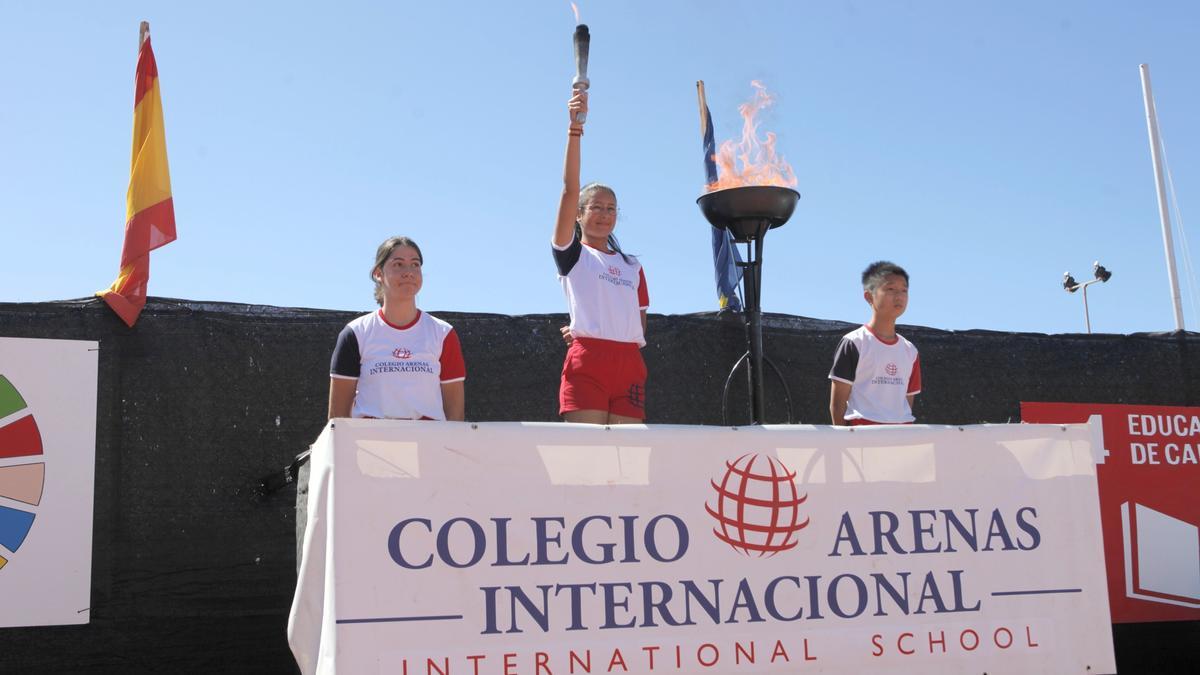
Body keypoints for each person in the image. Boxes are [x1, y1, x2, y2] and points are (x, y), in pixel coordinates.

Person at [552, 89, 650, 424]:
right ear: (579, 215)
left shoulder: (632, 266)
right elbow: (569, 188)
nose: (604, 214)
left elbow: (639, 322)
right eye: (596, 207)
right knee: (588, 459)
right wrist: (575, 130)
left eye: (611, 209)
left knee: (627, 462)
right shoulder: (574, 255)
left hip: (628, 364)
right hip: (588, 362)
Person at [327, 236, 465, 421]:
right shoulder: (355, 333)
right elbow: (337, 419)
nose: (409, 272)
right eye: (398, 264)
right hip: (371, 446)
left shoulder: (443, 334)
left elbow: (455, 416)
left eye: (415, 265)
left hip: (429, 446)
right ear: (378, 273)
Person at [828, 261, 921, 425]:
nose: (899, 296)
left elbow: (907, 402)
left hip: (902, 438)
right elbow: (837, 406)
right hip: (861, 438)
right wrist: (843, 443)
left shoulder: (910, 350)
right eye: (890, 289)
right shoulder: (853, 342)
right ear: (869, 296)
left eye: (904, 290)